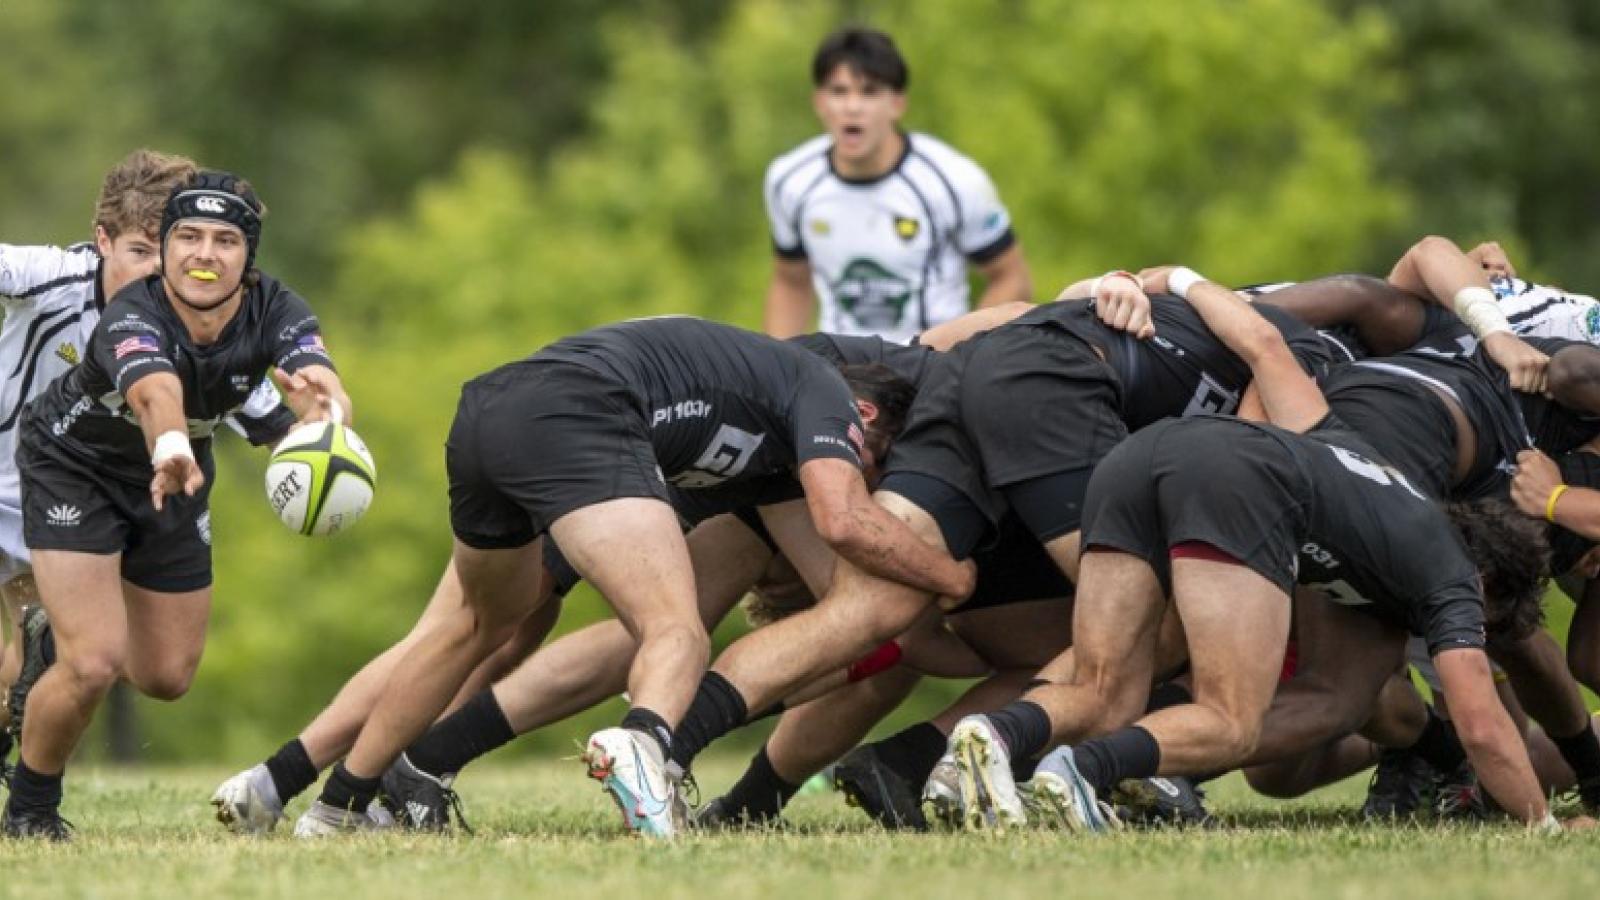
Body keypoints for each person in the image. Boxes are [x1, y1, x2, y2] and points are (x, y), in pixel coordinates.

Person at [941, 268, 1581, 833]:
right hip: (1228, 482)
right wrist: (1543, 823)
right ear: (1487, 582)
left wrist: (1176, 279)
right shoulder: (1451, 571)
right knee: (1231, 720)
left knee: (1104, 683)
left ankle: (993, 734)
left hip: (1137, 457)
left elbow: (1263, 345)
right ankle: (1081, 769)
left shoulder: (1345, 442)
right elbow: (1482, 726)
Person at [292, 317, 973, 840]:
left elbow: (838, 591)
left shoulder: (766, 442)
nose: (870, 476)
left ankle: (336, 803)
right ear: (867, 419)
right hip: (583, 413)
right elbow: (844, 519)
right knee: (675, 629)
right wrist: (951, 575)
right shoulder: (826, 394)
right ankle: (644, 748)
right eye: (874, 462)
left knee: (475, 626)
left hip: (488, 410)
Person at [3, 170, 347, 840]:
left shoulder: (275, 309)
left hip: (176, 483)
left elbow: (312, 377)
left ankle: (60, 642)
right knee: (94, 660)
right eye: (187, 236)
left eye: (224, 240)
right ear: (165, 248)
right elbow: (156, 391)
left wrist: (328, 416)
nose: (203, 253)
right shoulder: (133, 313)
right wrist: (167, 446)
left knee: (166, 674)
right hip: (73, 466)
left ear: (249, 256)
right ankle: (30, 811)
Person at [762, 27, 1031, 343]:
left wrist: (960, 356)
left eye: (870, 92)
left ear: (897, 104)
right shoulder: (790, 181)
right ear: (819, 102)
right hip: (838, 373)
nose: (852, 107)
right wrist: (779, 370)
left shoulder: (954, 180)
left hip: (931, 370)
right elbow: (790, 281)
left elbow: (1012, 277)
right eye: (839, 91)